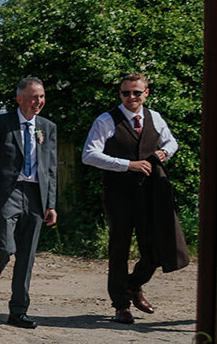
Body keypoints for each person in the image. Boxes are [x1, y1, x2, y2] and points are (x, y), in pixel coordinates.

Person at [80, 72, 189, 324]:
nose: (131, 97)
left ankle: (133, 283)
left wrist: (164, 152)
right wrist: (127, 165)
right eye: (125, 93)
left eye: (136, 92)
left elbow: (172, 142)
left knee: (154, 246)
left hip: (150, 192)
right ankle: (121, 305)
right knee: (119, 248)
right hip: (118, 193)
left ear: (146, 93)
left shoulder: (154, 118)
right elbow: (89, 155)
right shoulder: (106, 120)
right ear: (120, 94)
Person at [0, 77, 59, 329]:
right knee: (4, 248)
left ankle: (18, 311)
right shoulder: (1, 124)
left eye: (41, 97)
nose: (38, 102)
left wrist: (51, 204)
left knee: (26, 256)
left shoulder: (47, 127)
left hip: (35, 196)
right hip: (6, 194)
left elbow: (51, 169)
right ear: (19, 99)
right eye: (33, 97)